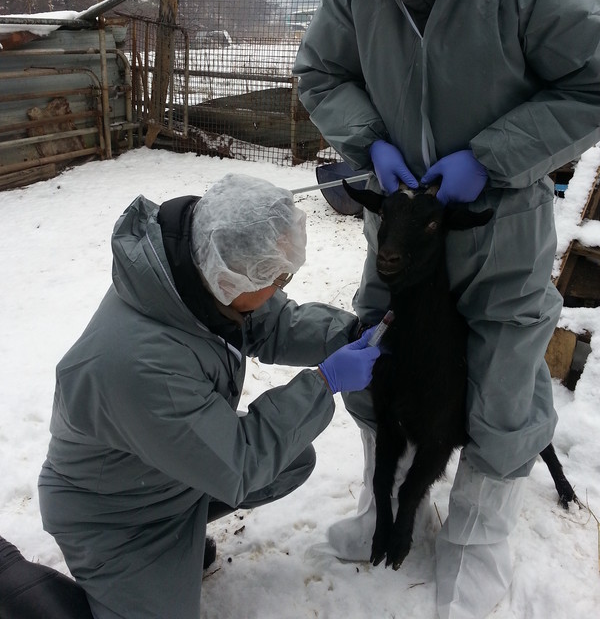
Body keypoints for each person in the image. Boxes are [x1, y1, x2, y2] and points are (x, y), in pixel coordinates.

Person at [293, 0, 600, 618]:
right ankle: (384, 504)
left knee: (502, 381)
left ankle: (475, 539)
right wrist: (368, 142)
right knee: (380, 355)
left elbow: (593, 84)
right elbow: (319, 70)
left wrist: (494, 156)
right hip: (401, 235)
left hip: (500, 227)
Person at [36, 172, 382, 619]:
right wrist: (324, 383)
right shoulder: (140, 366)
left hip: (162, 477)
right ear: (230, 274)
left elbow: (271, 322)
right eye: (275, 279)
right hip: (116, 518)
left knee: (291, 457)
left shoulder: (195, 278)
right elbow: (239, 465)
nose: (281, 286)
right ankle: (19, 583)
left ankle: (185, 530)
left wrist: (348, 334)